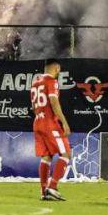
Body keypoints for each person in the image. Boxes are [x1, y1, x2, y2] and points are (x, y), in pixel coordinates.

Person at [30, 58, 71, 201]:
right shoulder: (52, 82)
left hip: (37, 122)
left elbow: (34, 107)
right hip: (49, 123)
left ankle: (43, 191)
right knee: (65, 153)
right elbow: (54, 102)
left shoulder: (35, 83)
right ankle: (52, 187)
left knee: (46, 157)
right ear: (57, 68)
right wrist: (64, 122)